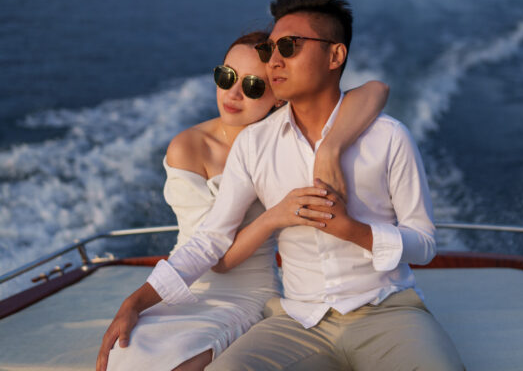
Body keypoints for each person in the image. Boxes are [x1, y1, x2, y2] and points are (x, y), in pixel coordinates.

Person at [100, 30, 390, 371]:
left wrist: (331, 146)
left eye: (253, 86)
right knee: (128, 357)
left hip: (248, 293)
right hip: (186, 285)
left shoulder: (282, 140)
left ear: (279, 95)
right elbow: (212, 255)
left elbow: (376, 90)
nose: (233, 93)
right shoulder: (189, 146)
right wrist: (135, 302)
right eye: (226, 77)